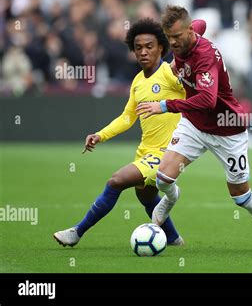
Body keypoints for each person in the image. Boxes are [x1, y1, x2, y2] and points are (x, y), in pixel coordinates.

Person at [135, 5, 252, 252]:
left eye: (177, 37)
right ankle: (171, 198)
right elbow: (200, 22)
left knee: (240, 196)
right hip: (194, 124)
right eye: (168, 38)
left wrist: (165, 105)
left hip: (226, 129)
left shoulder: (204, 56)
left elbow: (207, 101)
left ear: (189, 32)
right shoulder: (189, 32)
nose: (173, 43)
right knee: (163, 178)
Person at [53, 18, 192, 247]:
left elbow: (193, 90)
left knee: (116, 181)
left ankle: (77, 232)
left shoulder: (169, 72)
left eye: (149, 46)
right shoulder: (138, 81)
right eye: (138, 48)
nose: (143, 52)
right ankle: (174, 239)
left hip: (168, 152)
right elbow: (128, 117)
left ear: (160, 48)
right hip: (146, 151)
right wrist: (100, 135)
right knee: (145, 197)